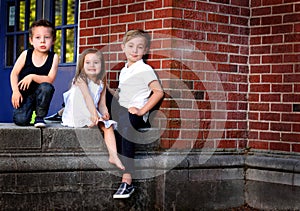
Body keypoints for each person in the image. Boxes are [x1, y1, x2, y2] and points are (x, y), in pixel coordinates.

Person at [112, 30, 164, 199]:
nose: (135, 51)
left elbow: (158, 92)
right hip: (122, 111)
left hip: (137, 116)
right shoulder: (124, 70)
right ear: (123, 48)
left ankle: (127, 180)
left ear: (145, 50)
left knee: (125, 124)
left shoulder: (144, 69)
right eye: (131, 46)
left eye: (139, 47)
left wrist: (142, 110)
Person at [61, 48, 125, 171]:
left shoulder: (102, 82)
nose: (92, 65)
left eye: (96, 62)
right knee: (97, 120)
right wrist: (94, 115)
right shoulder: (80, 79)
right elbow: (87, 98)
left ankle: (113, 156)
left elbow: (101, 103)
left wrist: (105, 113)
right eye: (88, 62)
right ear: (82, 65)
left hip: (92, 111)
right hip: (78, 111)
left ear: (102, 65)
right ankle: (92, 120)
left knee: (108, 126)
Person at [10, 19, 59, 128]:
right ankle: (30, 112)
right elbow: (14, 73)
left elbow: (50, 79)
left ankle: (39, 116)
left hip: (40, 94)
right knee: (21, 121)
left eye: (47, 37)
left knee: (47, 87)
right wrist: (15, 91)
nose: (42, 41)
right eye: (38, 37)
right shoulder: (26, 54)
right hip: (25, 95)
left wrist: (32, 77)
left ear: (53, 40)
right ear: (31, 40)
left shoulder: (54, 57)